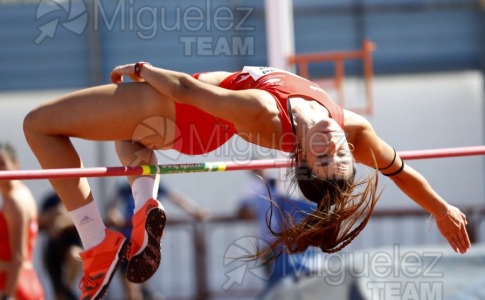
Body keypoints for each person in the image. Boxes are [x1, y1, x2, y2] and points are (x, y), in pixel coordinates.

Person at [22, 64, 471, 299]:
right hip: (185, 121)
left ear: (299, 157)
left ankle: (98, 242)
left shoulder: (267, 115)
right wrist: (441, 209)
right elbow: (401, 171)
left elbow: (185, 90)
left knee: (39, 125)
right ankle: (145, 204)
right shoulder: (350, 129)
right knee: (131, 150)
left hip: (177, 109)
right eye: (339, 154)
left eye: (322, 155)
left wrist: (141, 69)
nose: (332, 144)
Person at [105, 179, 208, 300]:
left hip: (145, 242)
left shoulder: (154, 183)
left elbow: (176, 198)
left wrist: (195, 210)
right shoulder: (124, 186)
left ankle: (146, 292)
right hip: (127, 242)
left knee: (139, 284)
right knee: (131, 287)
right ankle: (144, 293)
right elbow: (110, 207)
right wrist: (113, 215)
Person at [0, 142, 45, 300]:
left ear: (16, 164)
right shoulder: (22, 193)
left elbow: (18, 257)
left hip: (13, 286)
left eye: (2, 163)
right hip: (26, 281)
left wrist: (6, 295)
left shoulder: (14, 201)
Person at [38, 192, 82, 300]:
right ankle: (64, 290)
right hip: (53, 248)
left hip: (72, 245)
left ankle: (67, 288)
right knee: (58, 291)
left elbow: (85, 219)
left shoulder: (76, 196)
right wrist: (55, 214)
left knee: (74, 254)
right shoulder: (50, 200)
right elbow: (39, 220)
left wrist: (63, 221)